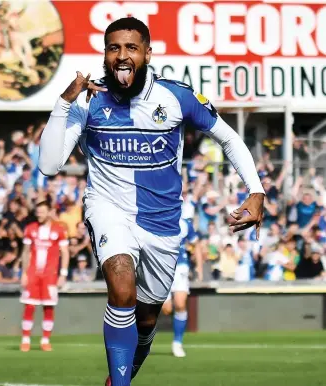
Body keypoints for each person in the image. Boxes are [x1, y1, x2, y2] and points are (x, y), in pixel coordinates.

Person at [38, 17, 265, 386]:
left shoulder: (175, 97)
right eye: (113, 48)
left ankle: (119, 375)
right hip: (107, 208)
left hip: (161, 225)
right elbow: (48, 165)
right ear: (105, 54)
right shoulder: (88, 103)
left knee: (145, 322)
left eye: (131, 48)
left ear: (147, 53)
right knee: (122, 287)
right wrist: (65, 101)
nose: (121, 56)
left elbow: (229, 139)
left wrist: (256, 190)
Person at [19, 200, 70, 352]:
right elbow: (26, 252)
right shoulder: (30, 228)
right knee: (29, 305)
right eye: (37, 211)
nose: (39, 214)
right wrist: (23, 273)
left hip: (50, 275)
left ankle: (45, 340)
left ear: (49, 212)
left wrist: (63, 274)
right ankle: (25, 339)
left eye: (42, 211)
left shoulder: (59, 230)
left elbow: (65, 252)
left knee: (49, 306)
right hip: (33, 274)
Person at [161, 215, 199, 358]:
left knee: (180, 304)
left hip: (181, 267)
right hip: (162, 267)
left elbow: (195, 243)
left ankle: (177, 343)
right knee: (166, 309)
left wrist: (198, 265)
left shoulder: (185, 224)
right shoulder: (158, 220)